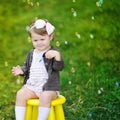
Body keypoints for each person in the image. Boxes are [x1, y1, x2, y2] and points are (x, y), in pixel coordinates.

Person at [12, 19, 64, 120]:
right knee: (20, 94)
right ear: (31, 40)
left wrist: (57, 56)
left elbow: (59, 67)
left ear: (51, 37)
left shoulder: (53, 52)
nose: (39, 43)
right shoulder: (32, 53)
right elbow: (27, 67)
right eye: (35, 40)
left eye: (42, 39)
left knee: (45, 96)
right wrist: (22, 71)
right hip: (33, 87)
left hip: (49, 89)